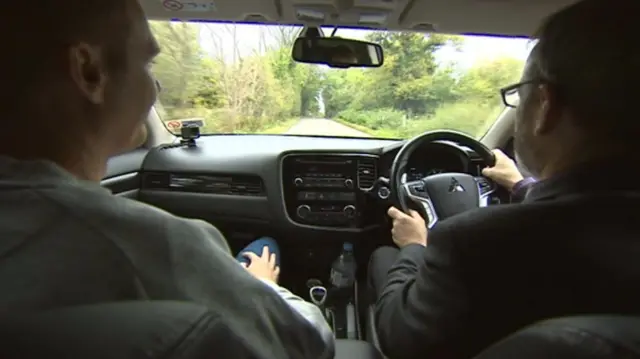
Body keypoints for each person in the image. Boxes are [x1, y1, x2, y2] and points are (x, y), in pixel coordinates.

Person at [0, 1, 333, 359]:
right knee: (262, 253)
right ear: (89, 71)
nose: (155, 85)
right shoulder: (156, 243)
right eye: (146, 63)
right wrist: (265, 287)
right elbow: (311, 342)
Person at [369, 0, 640, 358]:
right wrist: (522, 185)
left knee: (382, 258)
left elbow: (399, 338)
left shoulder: (475, 245)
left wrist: (416, 246)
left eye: (519, 94)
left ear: (546, 105)